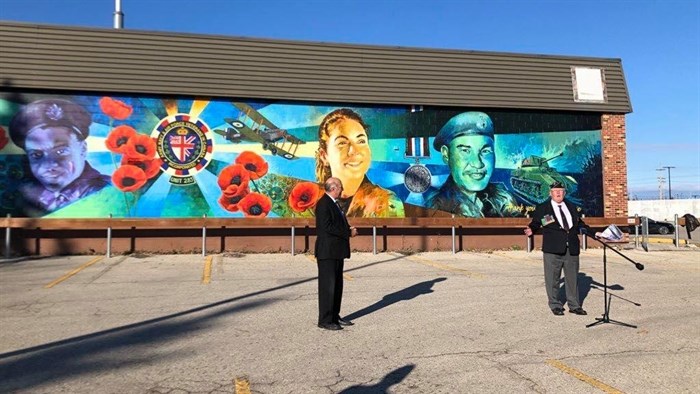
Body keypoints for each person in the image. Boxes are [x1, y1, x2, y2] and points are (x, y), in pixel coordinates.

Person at [8, 98, 110, 216]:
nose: (50, 164)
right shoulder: (28, 197)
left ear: (83, 149)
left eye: (61, 151)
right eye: (36, 155)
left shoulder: (108, 192)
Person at [426, 111, 519, 217]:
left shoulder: (504, 199)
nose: (478, 164)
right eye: (465, 151)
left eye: (485, 151)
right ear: (446, 155)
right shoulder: (436, 207)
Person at [315, 108, 404, 218]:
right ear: (324, 156)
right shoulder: (313, 200)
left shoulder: (387, 202)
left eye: (361, 141)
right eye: (342, 143)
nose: (354, 151)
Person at [524, 181, 590, 316]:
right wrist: (531, 229)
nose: (558, 193)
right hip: (552, 248)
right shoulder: (543, 208)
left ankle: (574, 305)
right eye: (555, 191)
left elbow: (580, 224)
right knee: (552, 278)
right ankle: (555, 304)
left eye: (561, 191)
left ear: (564, 193)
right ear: (550, 193)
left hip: (571, 248)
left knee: (572, 279)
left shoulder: (571, 206)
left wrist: (596, 234)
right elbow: (537, 222)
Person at [314, 177, 358, 330]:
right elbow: (327, 227)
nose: (342, 189)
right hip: (327, 251)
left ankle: (334, 316)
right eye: (340, 186)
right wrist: (347, 232)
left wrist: (348, 228)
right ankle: (325, 320)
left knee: (337, 285)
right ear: (333, 187)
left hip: (336, 251)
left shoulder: (334, 204)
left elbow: (336, 224)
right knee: (328, 286)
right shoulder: (323, 204)